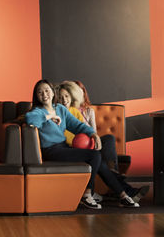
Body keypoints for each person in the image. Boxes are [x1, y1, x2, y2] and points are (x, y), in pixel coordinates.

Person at [23, 79, 145, 209]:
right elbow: (30, 119)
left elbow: (77, 126)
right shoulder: (37, 111)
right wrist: (48, 117)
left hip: (63, 147)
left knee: (100, 162)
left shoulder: (60, 109)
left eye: (47, 90)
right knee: (94, 156)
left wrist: (93, 135)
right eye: (40, 92)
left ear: (53, 93)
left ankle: (123, 196)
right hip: (50, 151)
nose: (44, 94)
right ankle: (87, 195)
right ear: (36, 96)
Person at [57, 80, 119, 174]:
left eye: (66, 96)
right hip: (74, 145)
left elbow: (89, 129)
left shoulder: (84, 111)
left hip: (87, 141)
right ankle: (116, 181)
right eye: (61, 97)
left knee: (109, 138)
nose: (64, 99)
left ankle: (112, 168)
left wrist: (91, 133)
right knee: (97, 158)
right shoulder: (59, 112)